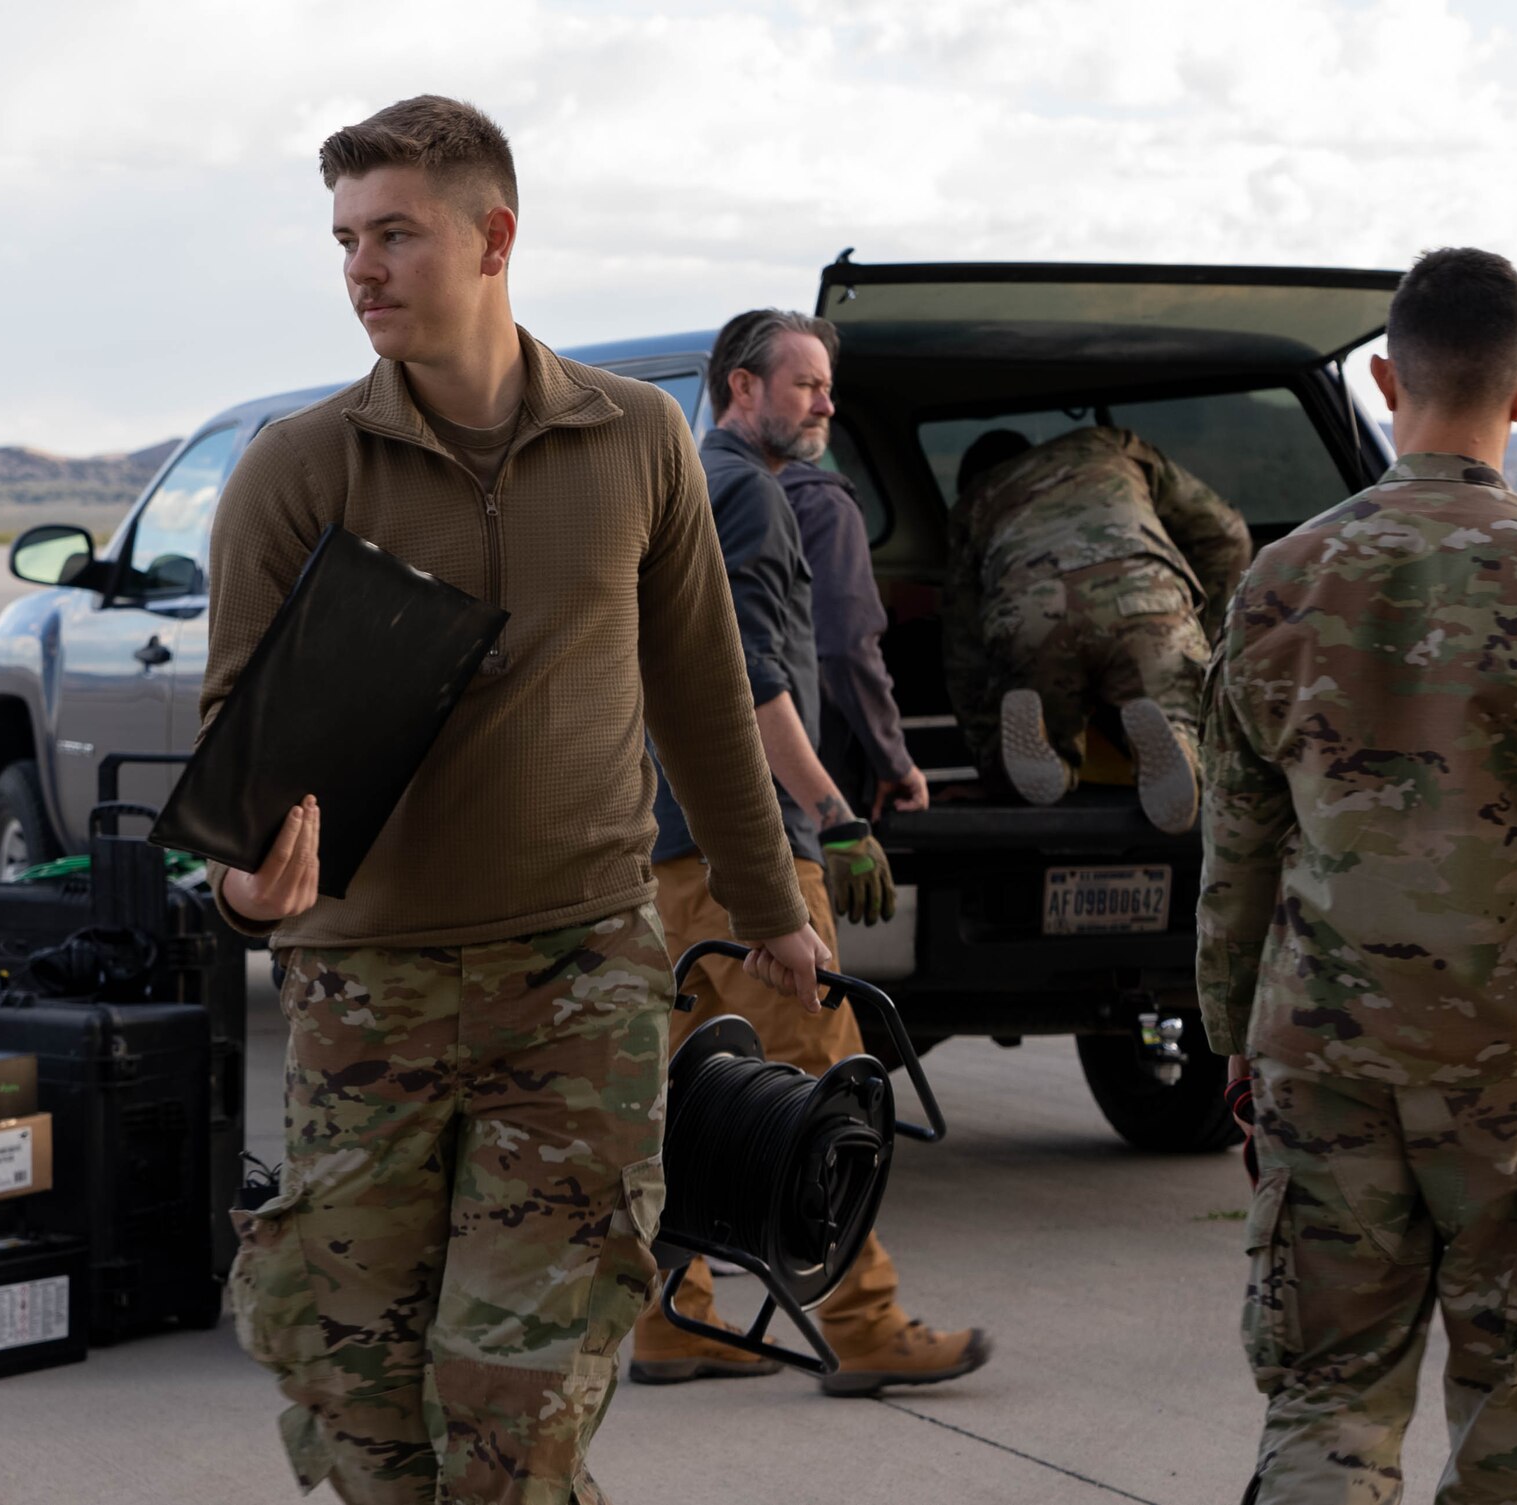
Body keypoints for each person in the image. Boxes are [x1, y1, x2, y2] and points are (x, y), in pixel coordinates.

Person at [202, 97, 828, 1505]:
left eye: (398, 235)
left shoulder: (636, 443)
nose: (365, 268)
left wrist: (773, 909)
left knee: (513, 1416)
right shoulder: (297, 472)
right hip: (365, 995)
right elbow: (237, 752)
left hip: (577, 978)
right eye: (348, 240)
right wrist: (247, 885)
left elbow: (702, 694)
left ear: (494, 237)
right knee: (365, 1418)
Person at [1198, 248, 1517, 1502]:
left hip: (1319, 1049)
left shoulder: (1276, 583)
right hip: (1510, 1064)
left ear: (1379, 378)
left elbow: (1236, 844)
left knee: (1325, 1393)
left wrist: (1230, 1026)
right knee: (1515, 1406)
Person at [628, 309, 990, 1397]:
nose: (826, 402)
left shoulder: (689, 484)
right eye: (807, 383)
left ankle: (668, 1312)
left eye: (827, 385)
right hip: (746, 853)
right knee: (828, 1082)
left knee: (689, 1090)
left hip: (676, 849)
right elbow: (745, 677)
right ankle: (864, 1320)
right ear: (742, 385)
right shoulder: (743, 491)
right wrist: (830, 809)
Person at [942, 424, 1250, 833]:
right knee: (1184, 717)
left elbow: (962, 645)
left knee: (1039, 724)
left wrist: (985, 755)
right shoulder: (1108, 444)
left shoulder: (973, 503)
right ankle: (1177, 744)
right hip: (1143, 599)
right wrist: (1209, 642)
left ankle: (1047, 757)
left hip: (1032, 614)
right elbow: (1226, 533)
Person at [777, 456, 929, 821]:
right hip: (810, 772)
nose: (824, 406)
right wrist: (893, 762)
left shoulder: (701, 486)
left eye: (827, 393)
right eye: (811, 393)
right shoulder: (822, 504)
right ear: (743, 394)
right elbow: (847, 646)